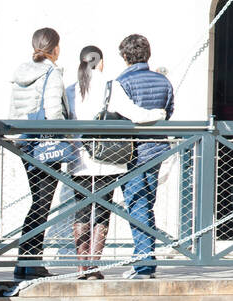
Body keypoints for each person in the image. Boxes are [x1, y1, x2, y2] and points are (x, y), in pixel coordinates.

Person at [66, 45, 166, 279]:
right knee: (101, 211)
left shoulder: (70, 88)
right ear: (100, 62)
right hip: (105, 160)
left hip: (78, 160)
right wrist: (159, 114)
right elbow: (137, 115)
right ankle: (93, 267)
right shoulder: (110, 86)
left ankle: (81, 267)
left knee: (81, 210)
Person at [9, 27, 70, 280]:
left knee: (38, 201)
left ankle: (26, 260)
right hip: (47, 145)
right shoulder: (51, 72)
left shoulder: (21, 73)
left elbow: (14, 110)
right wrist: (66, 136)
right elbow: (54, 111)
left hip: (27, 143)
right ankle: (30, 261)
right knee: (42, 202)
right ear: (55, 49)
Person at [114, 33, 175, 278]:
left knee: (138, 204)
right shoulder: (163, 81)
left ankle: (144, 263)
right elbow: (169, 111)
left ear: (126, 56)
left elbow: (119, 115)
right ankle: (144, 259)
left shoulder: (121, 81)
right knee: (147, 203)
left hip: (133, 151)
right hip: (158, 149)